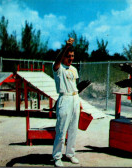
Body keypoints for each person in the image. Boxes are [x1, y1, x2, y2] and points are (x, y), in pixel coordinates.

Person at [52, 37, 80, 167]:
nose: (71, 58)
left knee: (73, 129)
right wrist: (66, 47)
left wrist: (79, 101)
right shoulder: (58, 68)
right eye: (68, 56)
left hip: (75, 98)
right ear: (64, 56)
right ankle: (57, 156)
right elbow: (58, 61)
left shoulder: (74, 69)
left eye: (72, 56)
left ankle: (70, 154)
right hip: (64, 98)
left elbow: (75, 85)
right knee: (61, 130)